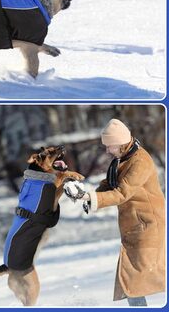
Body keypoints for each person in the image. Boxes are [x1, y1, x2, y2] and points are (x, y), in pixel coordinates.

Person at [80, 119, 165, 306]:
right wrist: (88, 196)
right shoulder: (124, 159)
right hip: (136, 227)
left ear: (120, 142)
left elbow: (121, 193)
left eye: (109, 146)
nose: (107, 151)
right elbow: (110, 184)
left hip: (148, 227)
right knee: (133, 284)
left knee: (137, 282)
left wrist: (90, 198)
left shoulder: (140, 161)